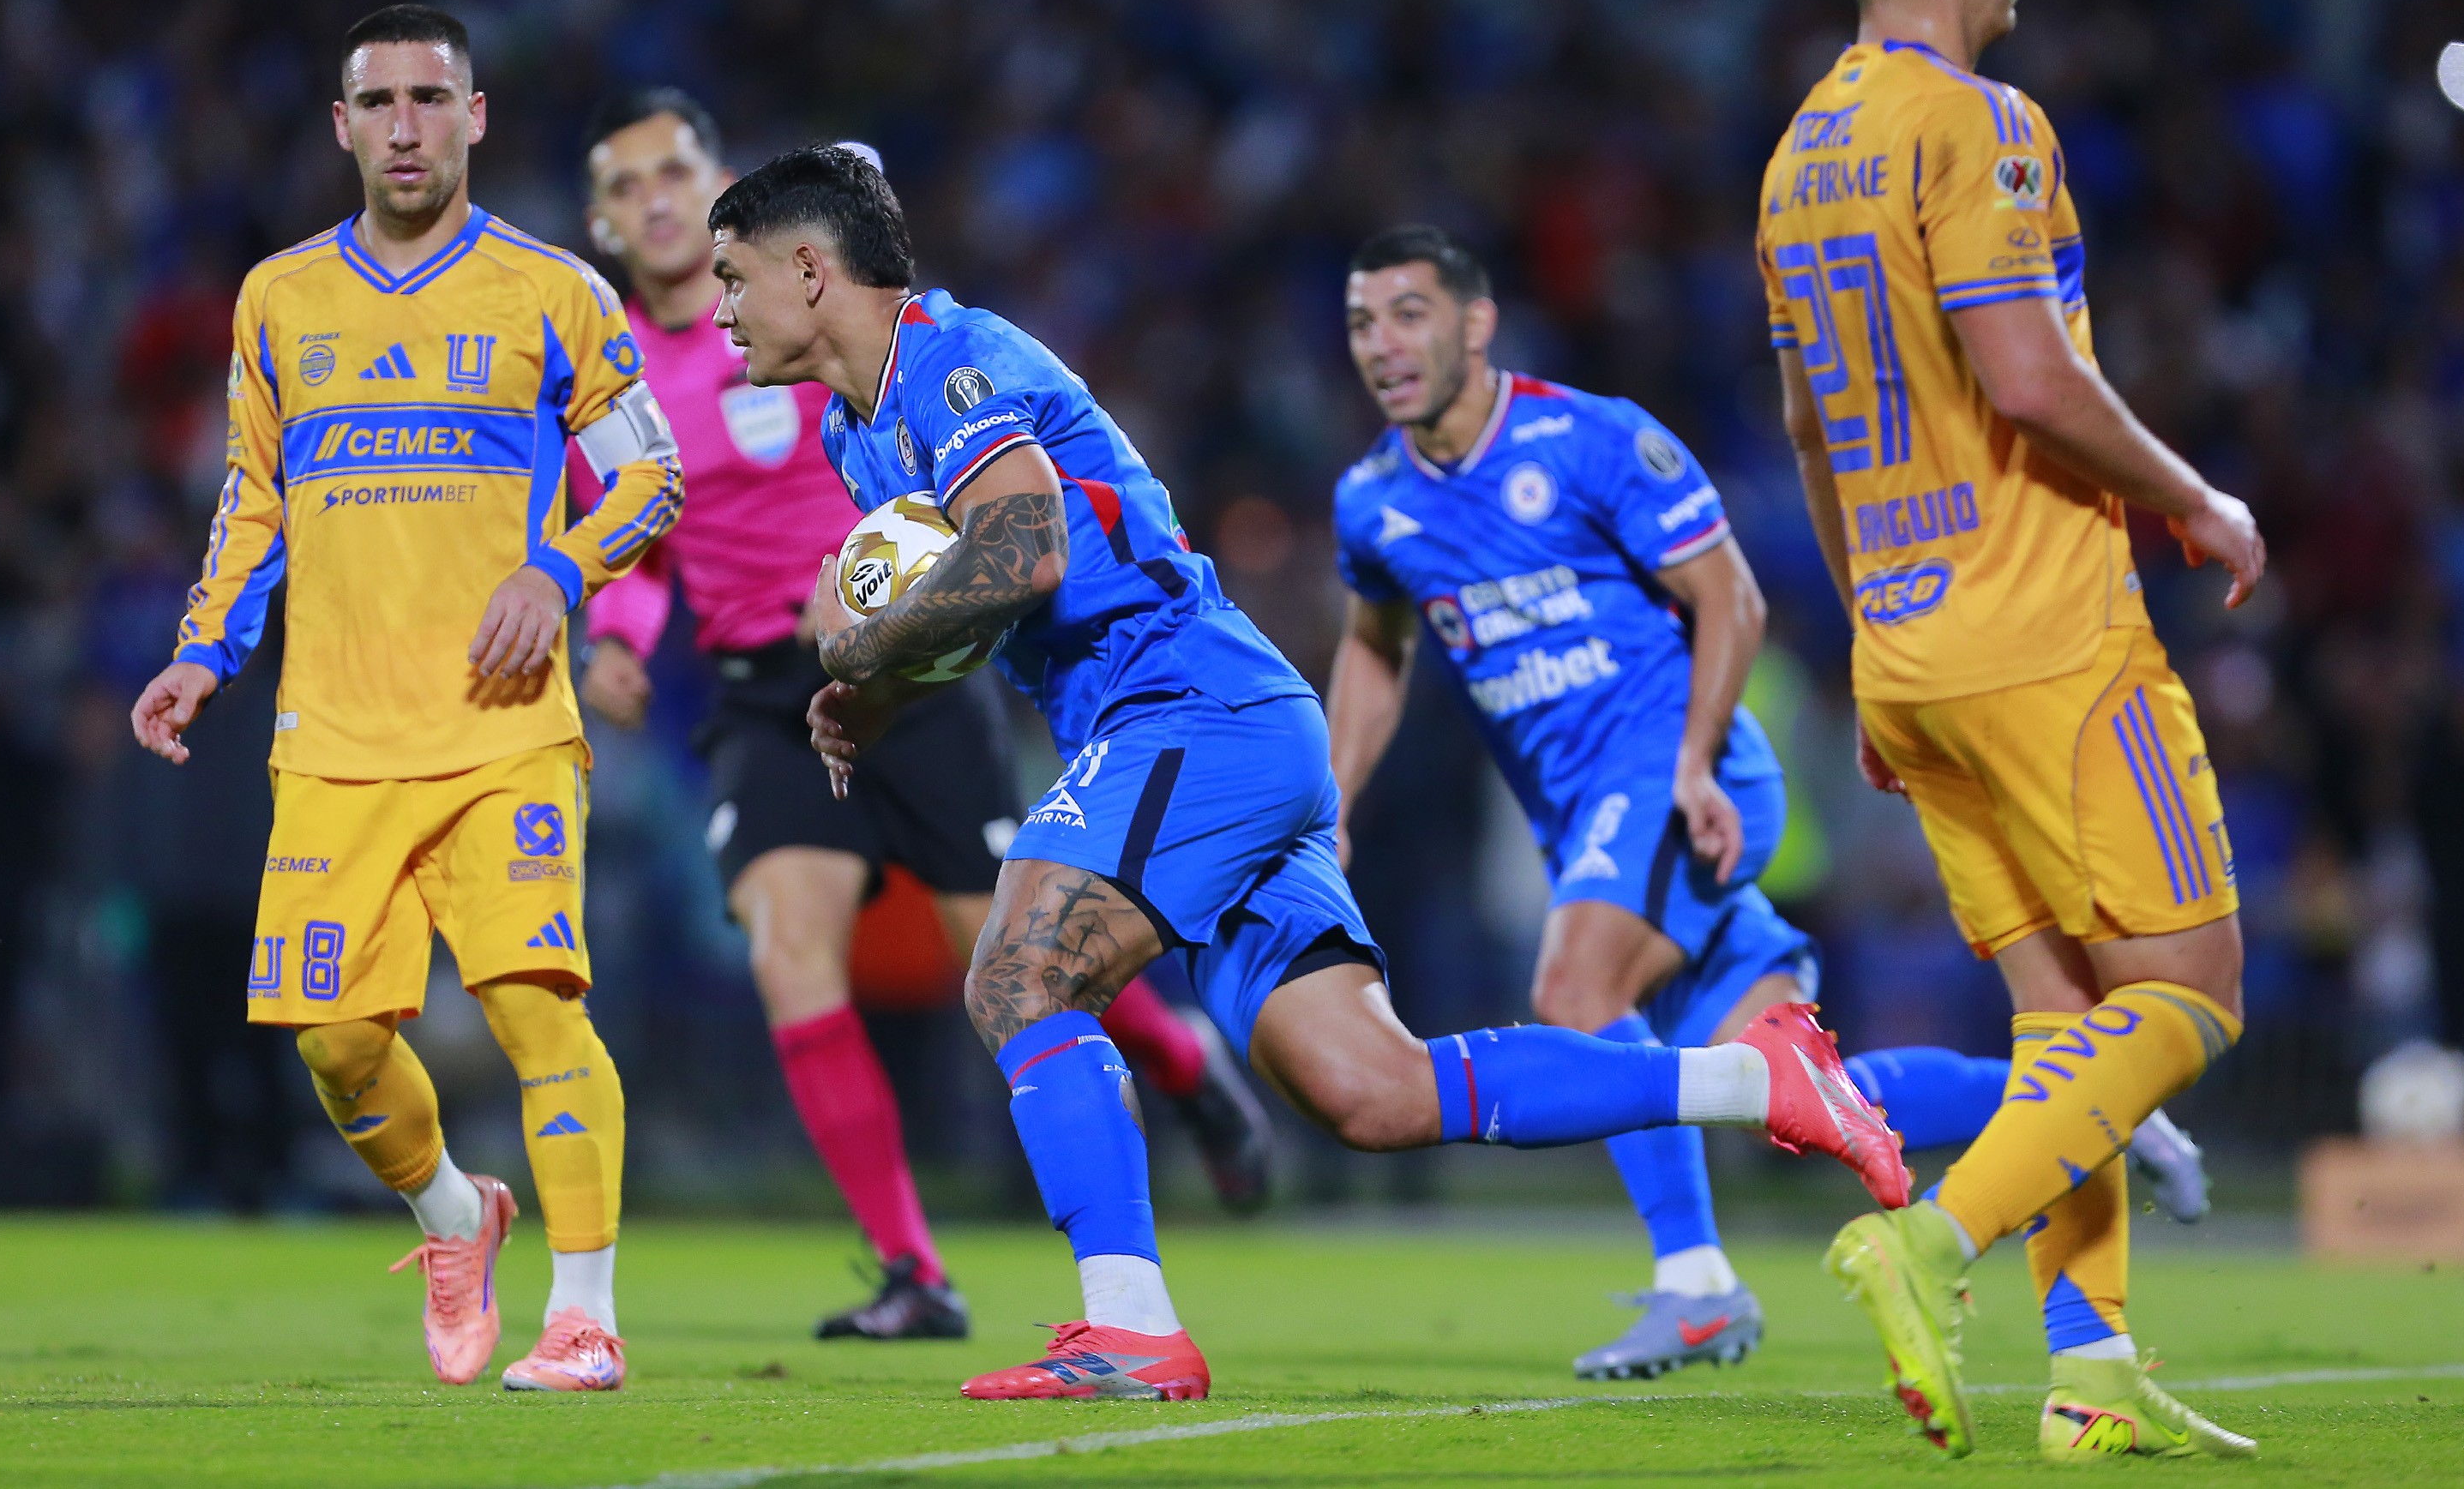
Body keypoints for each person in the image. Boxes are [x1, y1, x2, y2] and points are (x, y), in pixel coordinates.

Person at [706, 144, 1910, 1403]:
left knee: (1019, 968)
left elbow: (1027, 545)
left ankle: (1129, 1322)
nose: (720, 307)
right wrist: (884, 692)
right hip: (1197, 731)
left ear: (809, 266)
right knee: (1372, 1090)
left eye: (733, 277)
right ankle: (1756, 1075)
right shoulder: (857, 433)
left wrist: (860, 640)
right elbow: (986, 611)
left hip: (1191, 706)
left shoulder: (951, 359)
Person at [1323, 225, 2211, 1382]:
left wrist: (1691, 761)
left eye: (1407, 313)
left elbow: (1729, 597)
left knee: (1574, 987)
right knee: (1789, 1088)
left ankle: (1696, 1282)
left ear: (1475, 323)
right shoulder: (1372, 503)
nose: (1383, 344)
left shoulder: (1591, 439)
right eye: (1360, 322)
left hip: (1678, 774)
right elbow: (1375, 650)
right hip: (1588, 813)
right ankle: (2098, 1104)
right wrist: (1332, 797)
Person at [567, 92, 1271, 1340]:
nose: (657, 199)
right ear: (602, 223)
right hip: (763, 691)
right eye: (625, 187)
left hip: (926, 668)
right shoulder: (626, 374)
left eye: (676, 170)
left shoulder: (829, 335)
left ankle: (1182, 1067)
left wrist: (874, 647)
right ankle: (915, 1268)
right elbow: (641, 545)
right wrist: (615, 640)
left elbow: (979, 517)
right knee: (792, 953)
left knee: (1003, 949)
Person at [1764, 0, 2266, 1461]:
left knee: (2065, 1020)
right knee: (2191, 993)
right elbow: (2030, 374)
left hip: (1908, 640)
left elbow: (1811, 431)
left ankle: (2091, 1370)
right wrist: (2201, 497)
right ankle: (1929, 1236)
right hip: (2043, 628)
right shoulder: (1981, 124)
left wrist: (1864, 643)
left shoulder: (1797, 158)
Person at [129, 4, 684, 1393]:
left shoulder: (556, 292)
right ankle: (453, 1212)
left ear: (476, 116)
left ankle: (586, 1314)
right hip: (334, 734)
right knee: (333, 1044)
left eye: (431, 98)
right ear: (341, 125)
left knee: (536, 1010)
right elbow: (253, 501)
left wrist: (557, 571)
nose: (405, 125)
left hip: (505, 728)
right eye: (377, 101)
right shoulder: (280, 299)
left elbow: (652, 471)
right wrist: (203, 653)